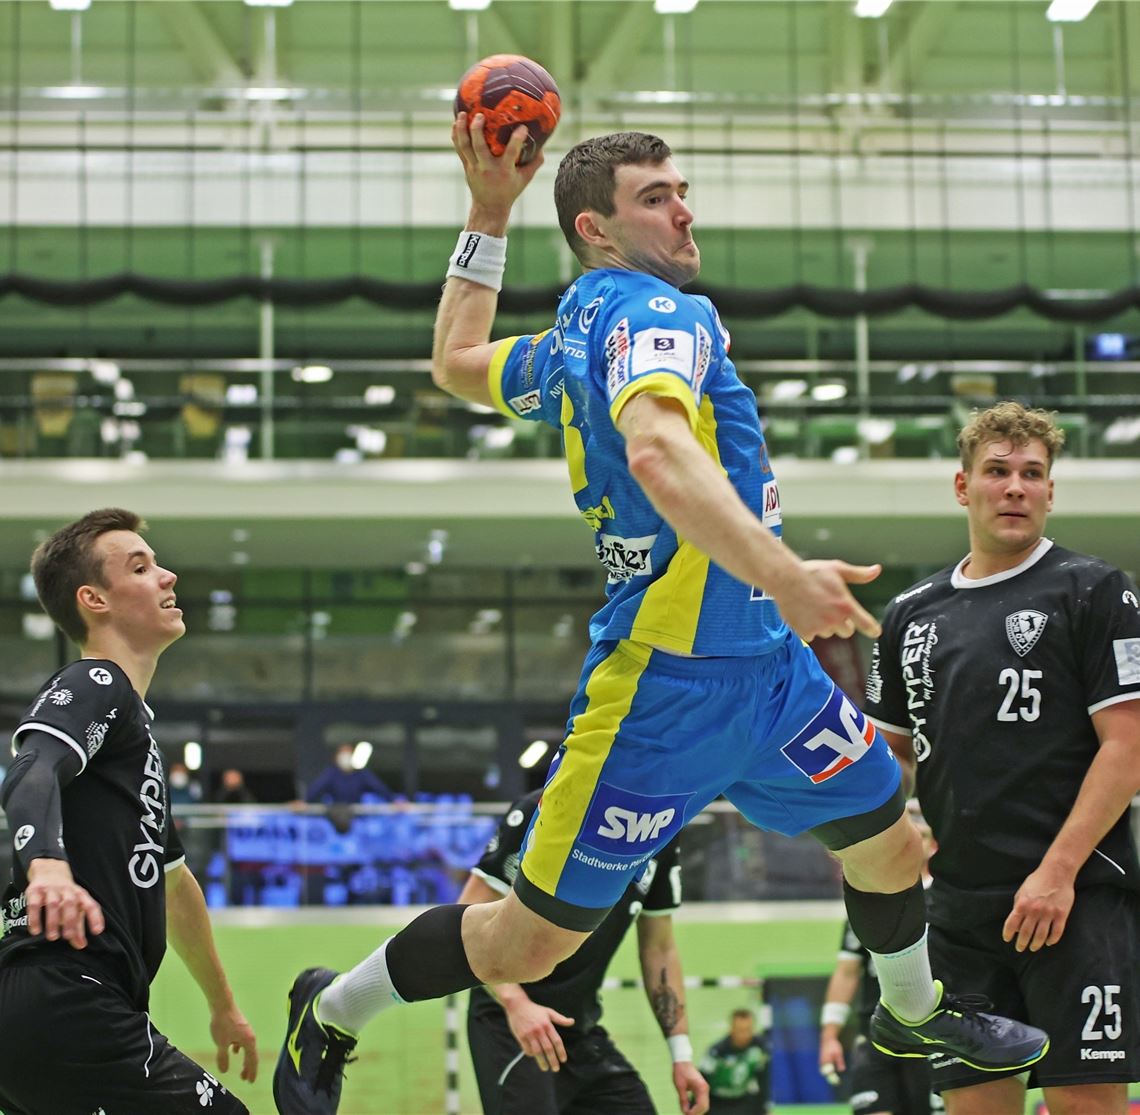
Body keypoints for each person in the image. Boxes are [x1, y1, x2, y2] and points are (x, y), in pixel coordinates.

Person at [272, 122, 1047, 1115]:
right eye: (654, 197)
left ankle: (910, 1012)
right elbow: (656, 450)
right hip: (663, 691)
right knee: (522, 944)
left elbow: (457, 358)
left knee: (889, 839)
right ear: (596, 229)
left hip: (769, 675)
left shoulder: (574, 336)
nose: (683, 210)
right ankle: (330, 1008)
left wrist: (489, 211)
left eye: (681, 189)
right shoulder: (652, 311)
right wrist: (785, 572)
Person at [863, 401, 1140, 1115]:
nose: (1015, 486)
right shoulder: (909, 613)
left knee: (1087, 1102)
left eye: (1032, 473)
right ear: (964, 486)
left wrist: (1058, 872)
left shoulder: (1094, 589)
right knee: (976, 1107)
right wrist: (877, 835)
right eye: (997, 471)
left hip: (1075, 898)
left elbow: (1129, 744)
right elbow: (889, 755)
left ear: (1050, 490)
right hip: (958, 911)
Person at [0, 508, 258, 1113]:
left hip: (55, 1003)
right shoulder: (97, 681)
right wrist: (47, 866)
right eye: (140, 568)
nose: (168, 576)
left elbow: (175, 886)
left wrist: (222, 1005)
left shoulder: (134, 736)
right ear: (94, 600)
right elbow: (32, 767)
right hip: (69, 995)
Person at [460, 788, 705, 1115]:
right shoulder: (546, 806)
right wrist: (516, 1004)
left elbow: (659, 947)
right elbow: (467, 913)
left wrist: (681, 1055)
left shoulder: (663, 828)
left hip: (580, 1028)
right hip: (511, 1023)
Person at [818, 805, 942, 1115]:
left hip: (932, 1038)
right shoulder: (870, 899)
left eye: (923, 834)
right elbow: (847, 971)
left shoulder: (947, 899)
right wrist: (830, 1034)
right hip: (876, 1036)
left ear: (932, 846)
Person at [701, 1009, 771, 1114]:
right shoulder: (717, 1052)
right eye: (740, 1030)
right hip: (718, 1103)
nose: (745, 1035)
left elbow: (763, 1079)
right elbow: (702, 1081)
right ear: (732, 1029)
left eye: (748, 1030)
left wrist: (766, 1108)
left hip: (742, 1100)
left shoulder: (760, 1048)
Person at [306, 744, 394, 806]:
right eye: (342, 754)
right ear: (336, 757)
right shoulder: (331, 773)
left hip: (357, 816)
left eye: (348, 754)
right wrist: (305, 801)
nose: (345, 757)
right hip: (338, 814)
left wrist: (392, 801)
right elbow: (316, 789)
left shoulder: (361, 773)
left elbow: (378, 787)